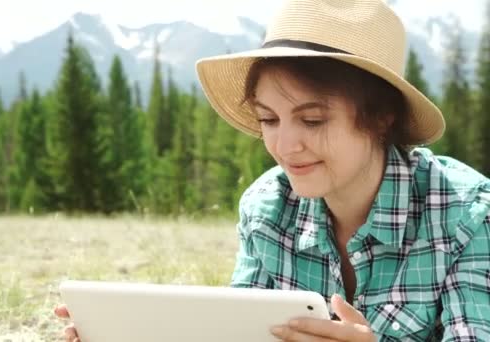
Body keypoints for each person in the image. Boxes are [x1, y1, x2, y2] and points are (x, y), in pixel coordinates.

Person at [56, 0, 490, 340]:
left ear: (381, 118)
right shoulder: (266, 209)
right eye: (268, 119)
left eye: (313, 120)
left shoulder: (465, 215)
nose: (284, 147)